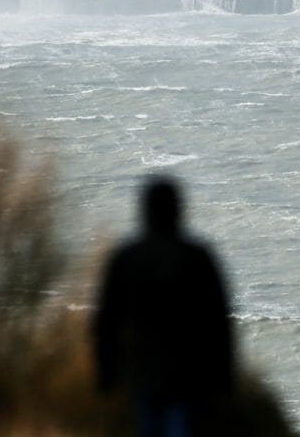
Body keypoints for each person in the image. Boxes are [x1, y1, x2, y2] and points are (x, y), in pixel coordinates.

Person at [93, 175, 234, 437]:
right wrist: (224, 379)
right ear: (179, 210)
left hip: (142, 369)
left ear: (144, 211)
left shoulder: (127, 258)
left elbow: (105, 323)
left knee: (149, 428)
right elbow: (219, 323)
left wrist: (106, 374)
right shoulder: (198, 257)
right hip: (188, 371)